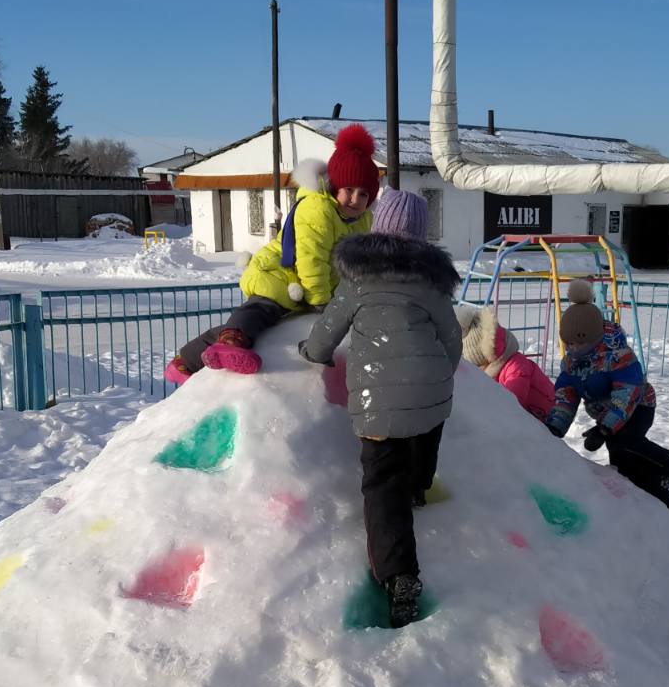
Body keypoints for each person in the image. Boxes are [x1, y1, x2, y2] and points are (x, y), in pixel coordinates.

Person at [299, 190, 462, 629]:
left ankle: (399, 574)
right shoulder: (432, 283)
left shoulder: (357, 281)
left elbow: (327, 331)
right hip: (430, 391)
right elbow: (451, 338)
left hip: (378, 403)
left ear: (375, 227)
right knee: (424, 435)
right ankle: (420, 487)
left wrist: (312, 352)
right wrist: (439, 375)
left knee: (381, 483)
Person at [165, 123, 379, 383]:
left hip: (304, 286)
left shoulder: (361, 220)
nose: (355, 199)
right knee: (262, 308)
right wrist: (322, 301)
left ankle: (185, 361)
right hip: (280, 271)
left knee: (261, 328)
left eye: (364, 193)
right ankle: (231, 345)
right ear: (334, 187)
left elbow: (353, 264)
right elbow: (312, 259)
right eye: (349, 189)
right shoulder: (318, 210)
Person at [545, 279, 669, 512]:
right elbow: (567, 395)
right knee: (623, 466)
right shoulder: (572, 363)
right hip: (608, 416)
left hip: (637, 406)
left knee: (623, 441)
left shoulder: (617, 356)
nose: (573, 348)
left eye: (578, 343)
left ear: (593, 338)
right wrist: (555, 427)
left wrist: (605, 429)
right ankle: (668, 506)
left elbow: (626, 395)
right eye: (568, 343)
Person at [454, 301, 556, 421]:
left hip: (549, 419)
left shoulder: (517, 367)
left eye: (478, 365)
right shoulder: (495, 368)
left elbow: (512, 405)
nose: (478, 369)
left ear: (489, 357)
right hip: (530, 419)